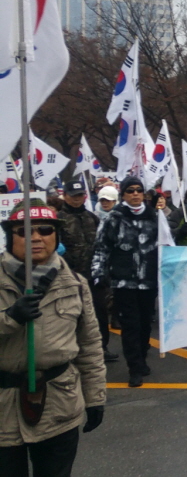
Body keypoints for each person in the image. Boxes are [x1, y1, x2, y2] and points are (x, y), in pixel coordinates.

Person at [0, 202, 106, 475]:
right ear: (10, 236)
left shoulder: (75, 283)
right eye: (25, 231)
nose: (36, 237)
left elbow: (89, 345)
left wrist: (95, 397)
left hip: (58, 406)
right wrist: (10, 317)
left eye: (45, 230)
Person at [90, 176, 159, 388]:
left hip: (149, 281)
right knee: (130, 325)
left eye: (139, 190)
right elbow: (101, 247)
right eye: (130, 190)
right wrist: (98, 273)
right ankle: (134, 368)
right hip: (123, 282)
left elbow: (166, 245)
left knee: (145, 324)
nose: (135, 194)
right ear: (123, 195)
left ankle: (142, 357)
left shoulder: (155, 217)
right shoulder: (113, 218)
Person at [57, 179, 115, 365]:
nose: (77, 199)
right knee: (71, 314)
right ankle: (73, 350)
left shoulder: (92, 217)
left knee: (99, 312)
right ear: (65, 196)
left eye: (80, 195)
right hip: (70, 276)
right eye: (73, 196)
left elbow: (103, 243)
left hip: (94, 275)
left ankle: (101, 348)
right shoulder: (58, 219)